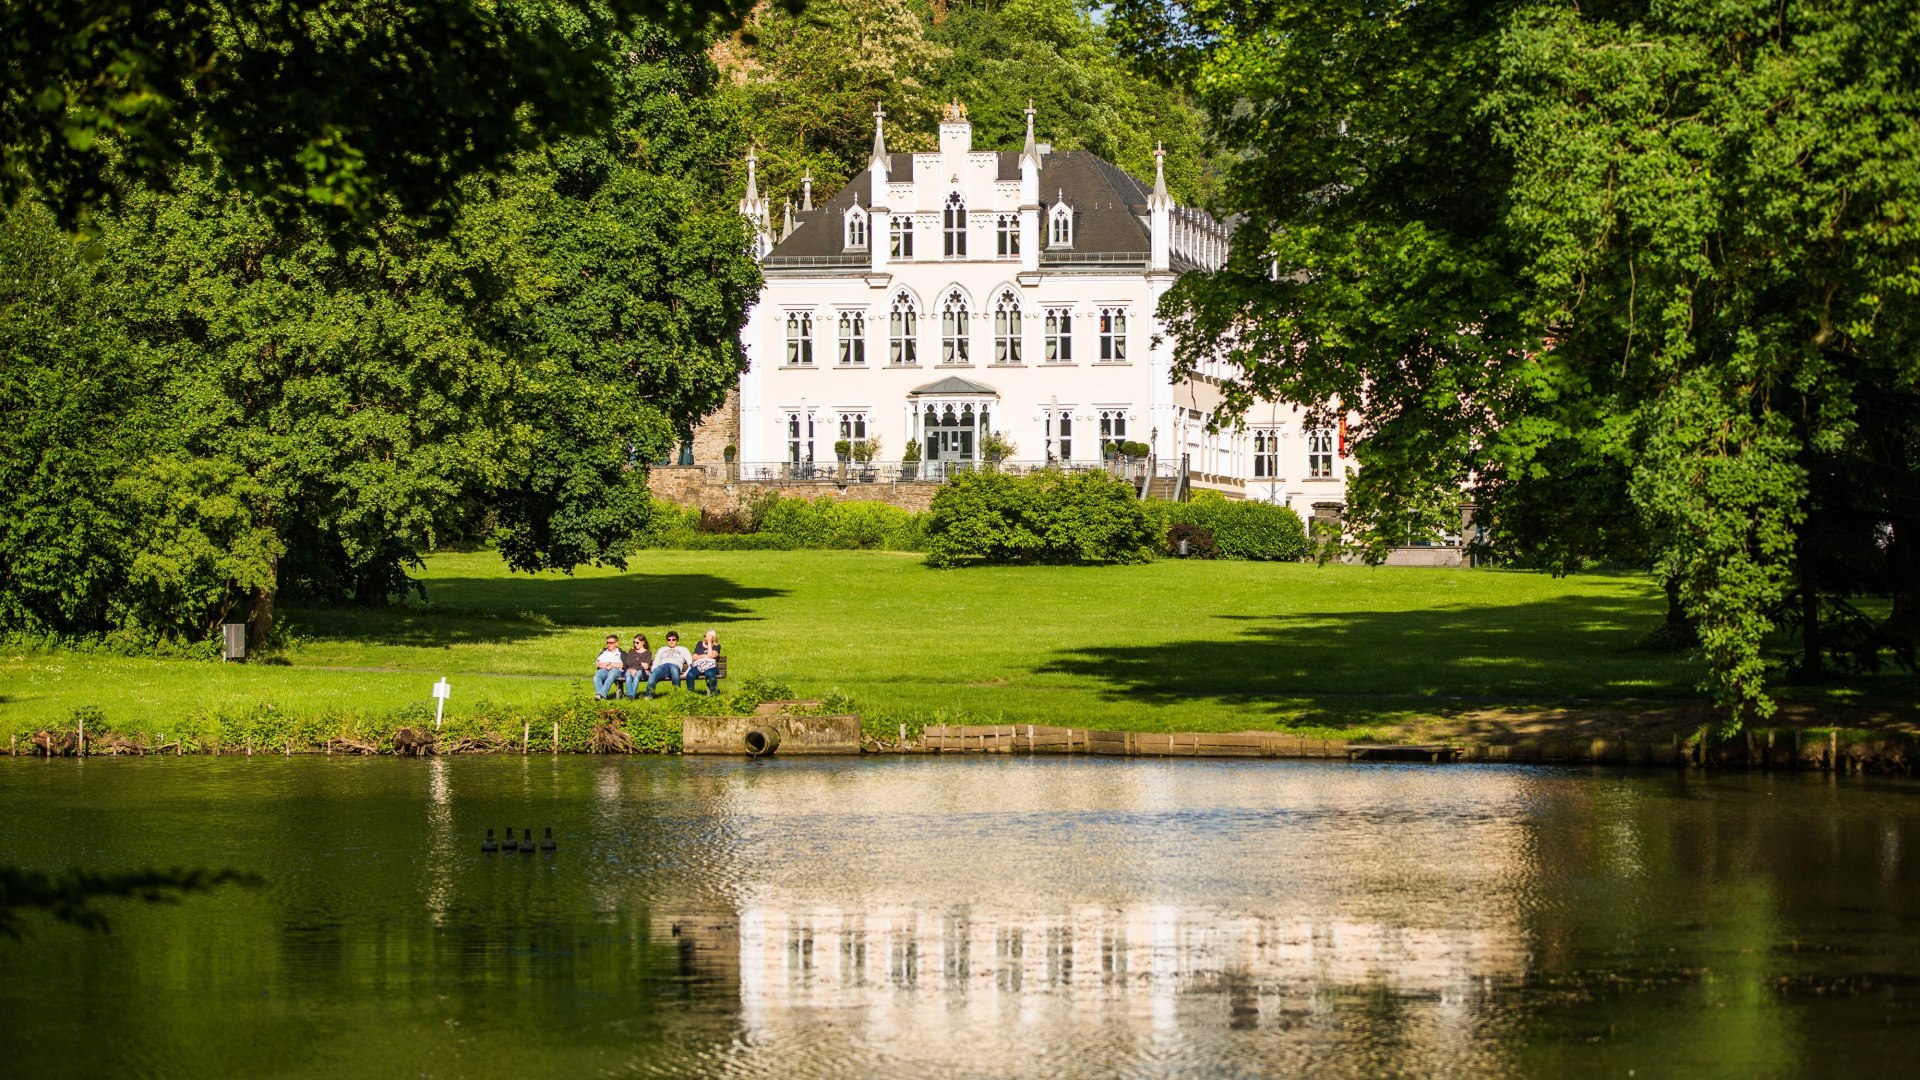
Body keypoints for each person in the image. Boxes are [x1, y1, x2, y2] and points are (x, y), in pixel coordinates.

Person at [646, 631, 692, 699]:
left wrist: (685, 674)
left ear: (677, 640)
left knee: (674, 669)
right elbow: (656, 662)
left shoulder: (683, 649)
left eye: (673, 639)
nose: (671, 641)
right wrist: (653, 670)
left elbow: (690, 663)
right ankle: (648, 697)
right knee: (653, 676)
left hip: (675, 666)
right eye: (669, 639)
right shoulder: (662, 649)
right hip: (662, 667)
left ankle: (676, 696)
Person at [687, 629, 722, 695]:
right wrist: (704, 656)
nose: (705, 638)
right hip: (698, 666)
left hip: (711, 667)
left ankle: (714, 693)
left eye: (708, 637)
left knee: (709, 673)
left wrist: (709, 642)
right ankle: (690, 694)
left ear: (713, 638)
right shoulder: (699, 644)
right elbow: (694, 657)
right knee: (690, 674)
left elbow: (711, 656)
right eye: (705, 636)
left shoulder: (717, 646)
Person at [592, 634, 625, 699]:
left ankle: (600, 695)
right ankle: (601, 696)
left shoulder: (621, 653)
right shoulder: (604, 652)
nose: (609, 644)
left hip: (615, 670)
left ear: (616, 643)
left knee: (611, 676)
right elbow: (597, 663)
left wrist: (611, 664)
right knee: (596, 677)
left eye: (611, 643)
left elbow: (623, 665)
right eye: (607, 643)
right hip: (603, 669)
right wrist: (602, 665)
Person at [621, 634, 652, 700]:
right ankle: (630, 695)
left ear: (643, 642)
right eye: (634, 642)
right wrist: (640, 664)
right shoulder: (631, 651)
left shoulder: (647, 653)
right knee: (628, 676)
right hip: (630, 669)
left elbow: (646, 666)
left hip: (641, 671)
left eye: (637, 642)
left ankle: (632, 695)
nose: (635, 644)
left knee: (637, 676)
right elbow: (628, 663)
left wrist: (636, 668)